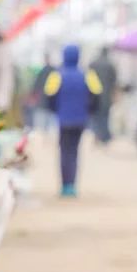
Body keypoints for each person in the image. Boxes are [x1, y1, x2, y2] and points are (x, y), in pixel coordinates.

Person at [44, 45, 102, 197]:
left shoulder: (57, 75)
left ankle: (65, 185)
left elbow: (49, 95)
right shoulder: (88, 75)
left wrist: (57, 111)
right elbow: (97, 94)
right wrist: (88, 111)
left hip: (63, 120)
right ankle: (72, 185)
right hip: (80, 120)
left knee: (64, 151)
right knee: (75, 151)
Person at [88, 46, 118, 145]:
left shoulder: (93, 64)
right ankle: (104, 138)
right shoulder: (111, 65)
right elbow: (114, 83)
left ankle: (96, 137)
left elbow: (88, 80)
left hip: (94, 95)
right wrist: (114, 95)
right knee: (105, 117)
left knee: (95, 117)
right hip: (106, 96)